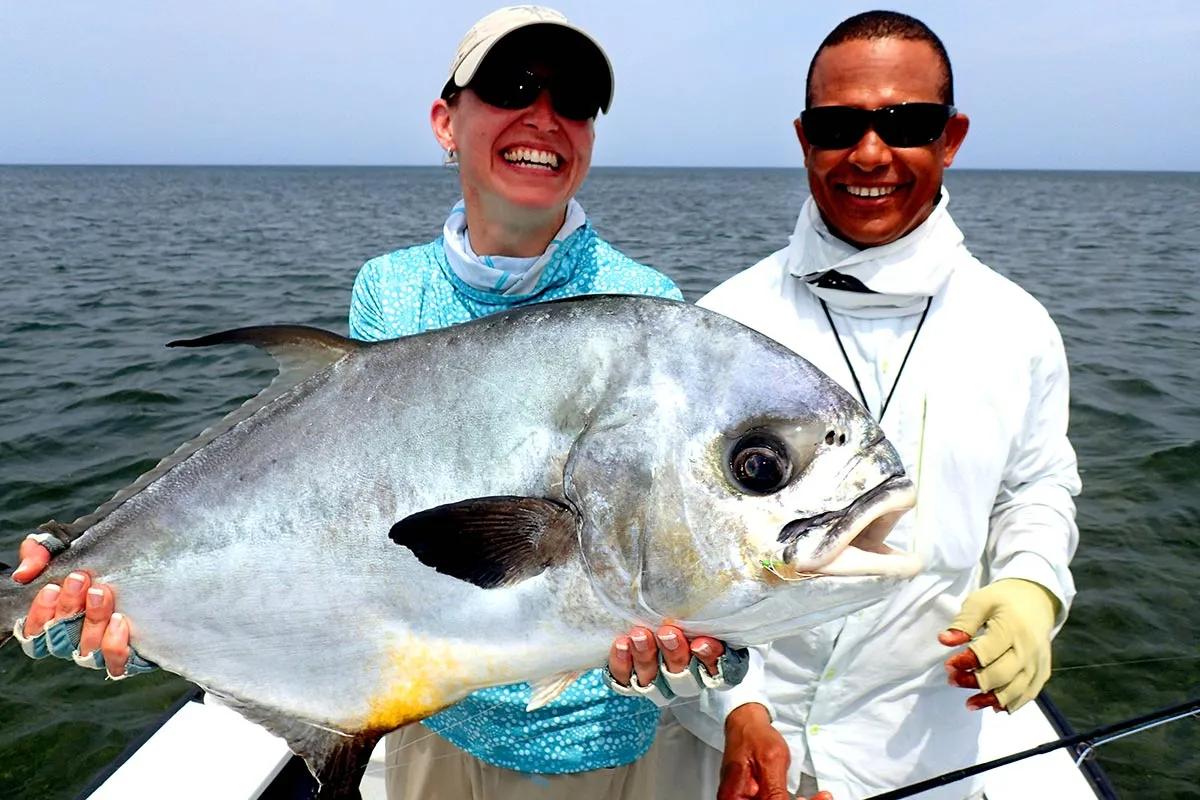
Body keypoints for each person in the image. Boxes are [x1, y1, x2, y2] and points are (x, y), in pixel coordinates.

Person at [10, 7, 767, 800]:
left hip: (616, 751)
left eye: (574, 99)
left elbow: (667, 570)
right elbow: (337, 509)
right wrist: (90, 560)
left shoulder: (646, 309)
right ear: (447, 121)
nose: (544, 116)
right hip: (434, 738)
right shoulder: (391, 287)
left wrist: (696, 661)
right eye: (512, 87)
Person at [610, 10, 1081, 800]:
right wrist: (738, 709)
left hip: (928, 759)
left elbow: (1036, 489)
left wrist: (1034, 589)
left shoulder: (1018, 327)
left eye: (906, 123)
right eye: (839, 126)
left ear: (951, 136)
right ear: (804, 140)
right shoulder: (726, 324)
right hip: (732, 755)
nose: (870, 153)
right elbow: (664, 552)